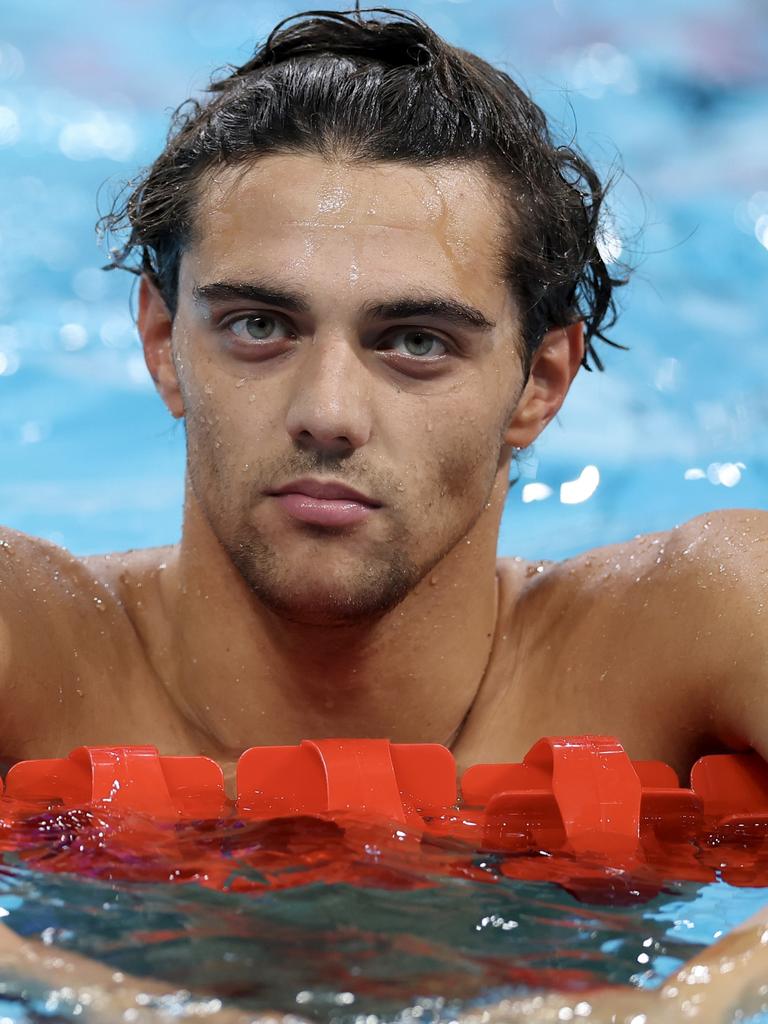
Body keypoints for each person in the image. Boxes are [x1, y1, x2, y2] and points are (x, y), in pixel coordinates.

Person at [0, 5, 765, 1020]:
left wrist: (690, 998)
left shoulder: (694, 621)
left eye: (414, 342)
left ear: (542, 380)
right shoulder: (34, 640)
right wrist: (117, 1003)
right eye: (259, 326)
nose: (326, 414)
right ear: (160, 340)